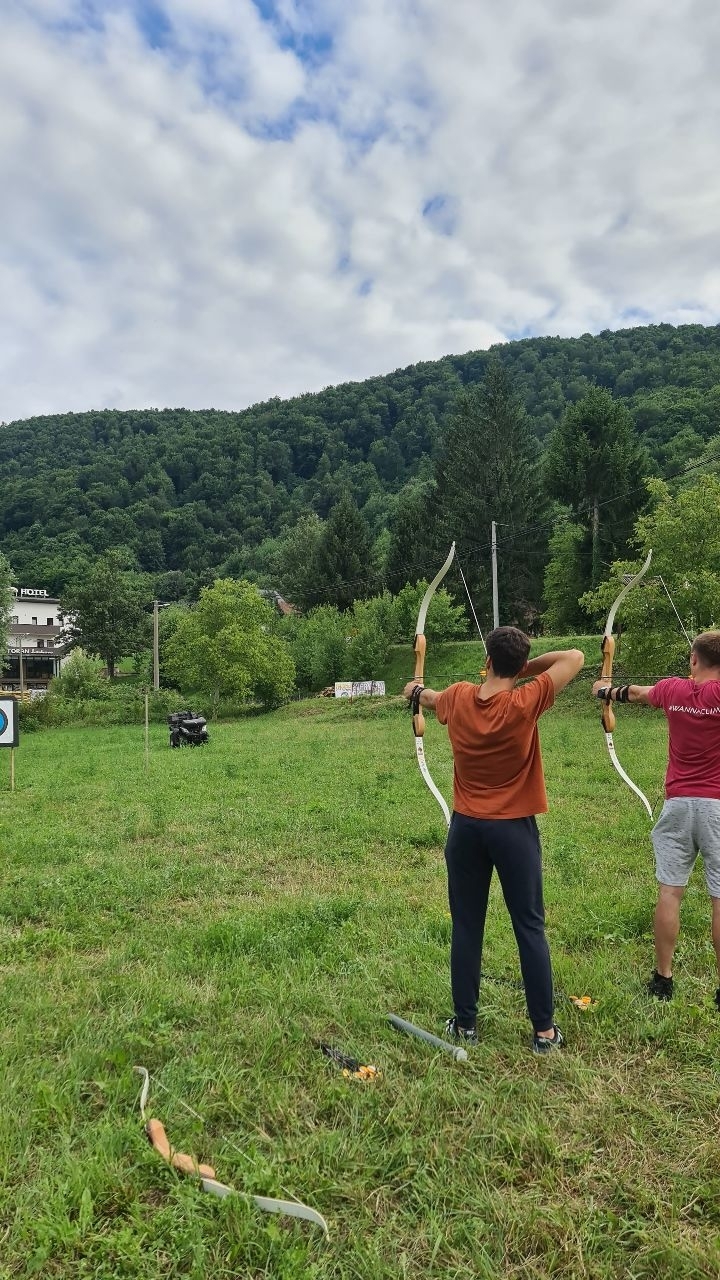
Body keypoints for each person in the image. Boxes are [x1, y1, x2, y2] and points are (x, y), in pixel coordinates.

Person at [404, 627, 585, 1054]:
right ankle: (544, 1034)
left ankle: (465, 1025)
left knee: (467, 925)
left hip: (466, 829)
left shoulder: (458, 696)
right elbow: (575, 657)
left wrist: (415, 690)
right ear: (518, 667)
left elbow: (427, 697)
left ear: (486, 660)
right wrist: (523, 669)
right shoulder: (525, 700)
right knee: (529, 926)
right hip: (512, 831)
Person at [592, 630, 720, 1004]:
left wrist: (605, 690)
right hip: (717, 808)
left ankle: (663, 980)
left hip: (678, 804)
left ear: (694, 660)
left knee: (670, 891)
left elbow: (635, 693)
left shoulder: (673, 690)